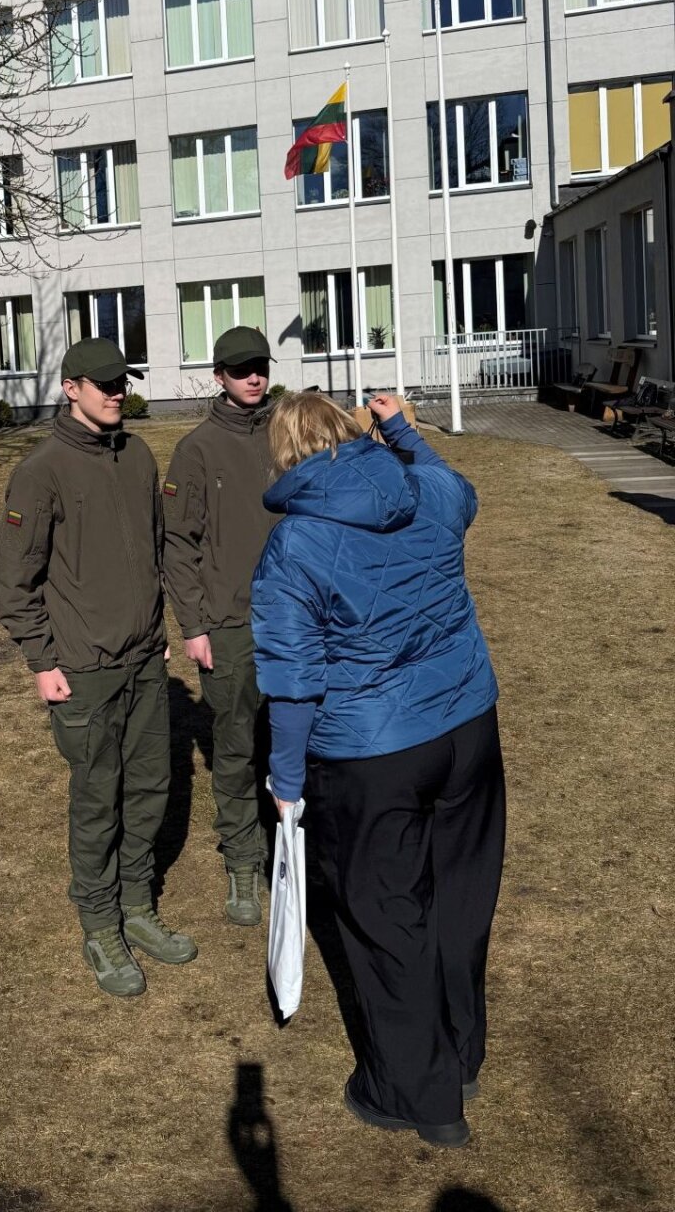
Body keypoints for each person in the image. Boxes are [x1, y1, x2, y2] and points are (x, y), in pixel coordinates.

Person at [251, 392, 504, 1150]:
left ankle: (418, 1092)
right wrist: (402, 433)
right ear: (352, 431)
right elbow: (459, 490)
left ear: (285, 453)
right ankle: (458, 1056)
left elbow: (293, 679)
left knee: (388, 917)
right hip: (466, 729)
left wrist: (285, 779)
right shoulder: (423, 486)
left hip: (374, 752)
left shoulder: (295, 543)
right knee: (458, 896)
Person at [0, 337, 196, 998]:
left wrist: (157, 631)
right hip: (83, 668)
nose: (117, 393)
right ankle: (100, 922)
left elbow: (155, 552)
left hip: (143, 658)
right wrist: (41, 660)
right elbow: (16, 582)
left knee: (150, 788)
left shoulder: (137, 455)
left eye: (122, 382)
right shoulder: (41, 471)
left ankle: (136, 904)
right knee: (97, 798)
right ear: (71, 389)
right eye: (104, 384)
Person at [162, 326, 276, 927]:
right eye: (240, 370)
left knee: (296, 740)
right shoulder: (197, 450)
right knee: (236, 748)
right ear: (219, 377)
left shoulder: (288, 433)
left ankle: (292, 848)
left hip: (294, 620)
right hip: (230, 625)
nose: (253, 377)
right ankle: (243, 860)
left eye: (260, 367)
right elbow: (178, 544)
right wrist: (194, 625)